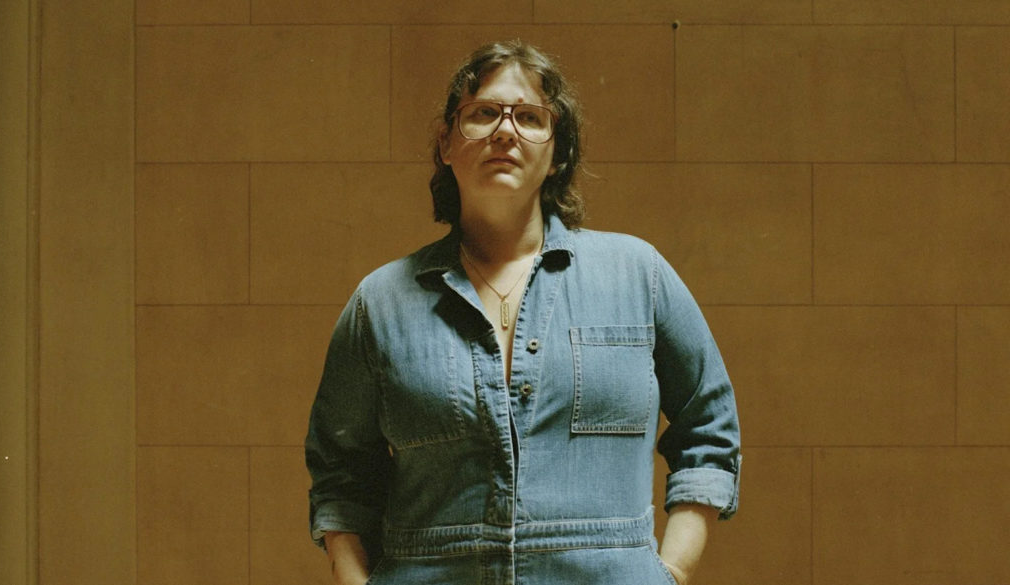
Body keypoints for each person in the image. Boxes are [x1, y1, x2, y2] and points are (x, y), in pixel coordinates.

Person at [305, 39, 741, 585]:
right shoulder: (383, 301)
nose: (505, 132)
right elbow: (340, 472)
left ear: (558, 154)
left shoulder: (637, 276)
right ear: (446, 143)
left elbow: (709, 428)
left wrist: (671, 571)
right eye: (483, 113)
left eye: (531, 118)